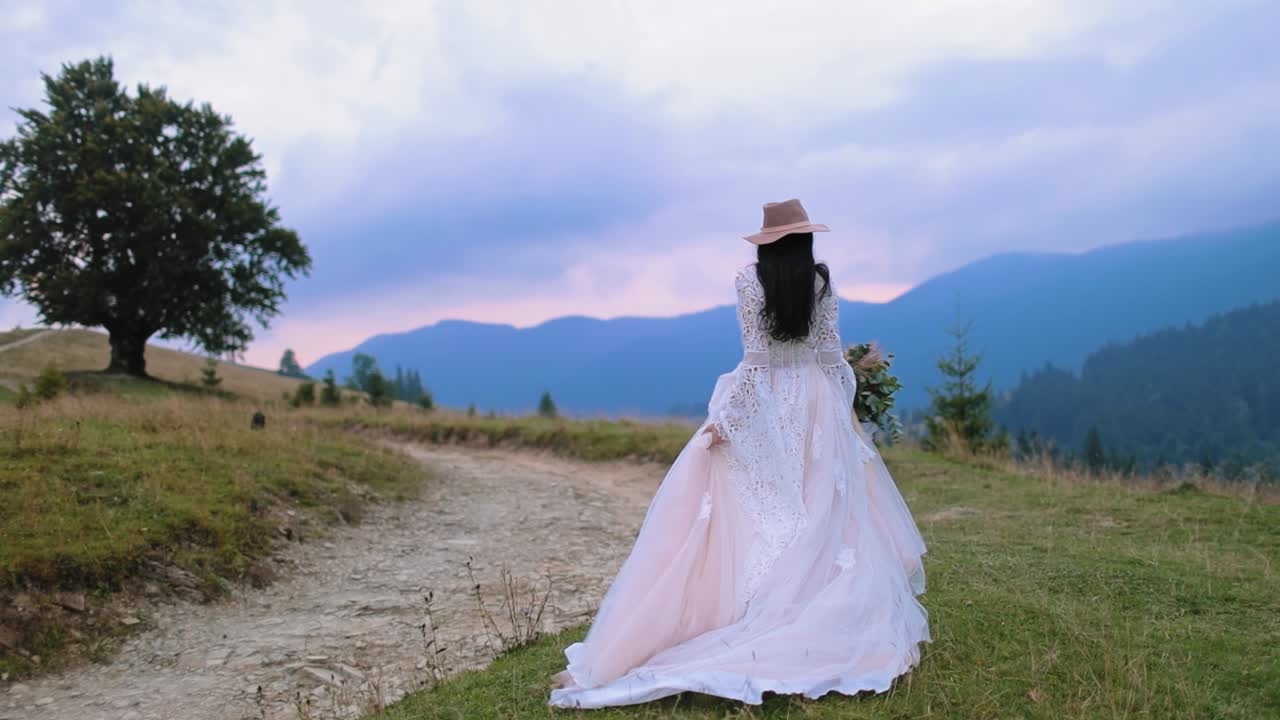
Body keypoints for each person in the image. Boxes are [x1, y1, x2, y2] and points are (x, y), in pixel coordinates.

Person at [550, 199, 929, 709]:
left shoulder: (750, 282)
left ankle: (755, 603)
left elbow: (755, 359)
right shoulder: (820, 281)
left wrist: (726, 418)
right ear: (805, 240)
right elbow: (830, 355)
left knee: (768, 504)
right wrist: (844, 409)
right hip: (816, 401)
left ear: (767, 244)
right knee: (819, 503)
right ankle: (806, 596)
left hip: (772, 400)